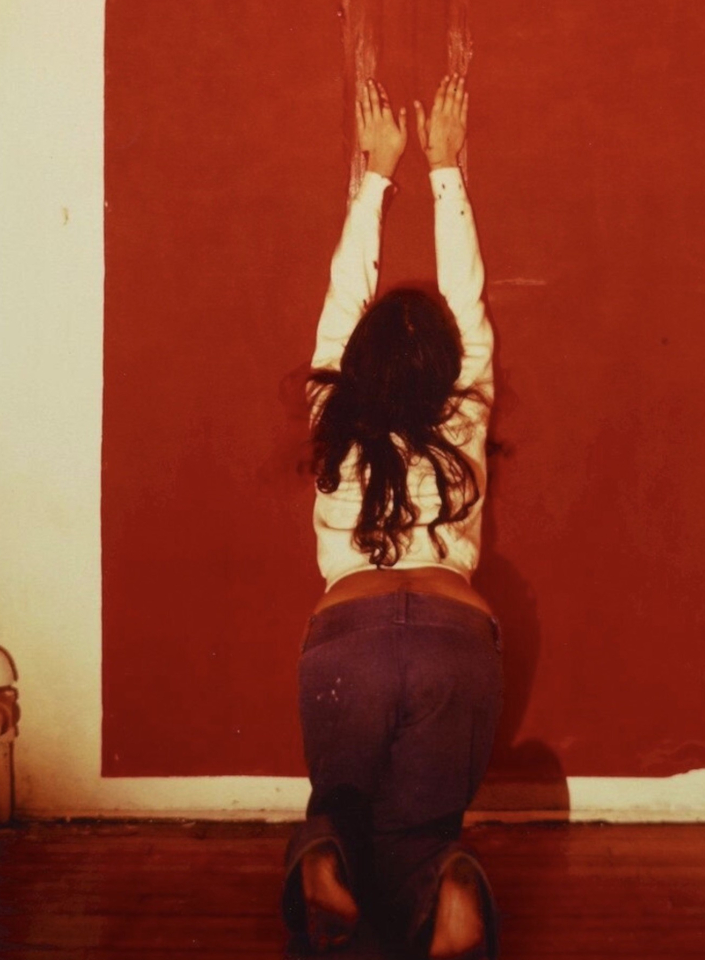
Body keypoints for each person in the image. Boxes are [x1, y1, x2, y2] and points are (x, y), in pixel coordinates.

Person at [283, 74, 502, 960]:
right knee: (421, 828)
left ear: (357, 361)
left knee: (342, 807)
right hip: (457, 632)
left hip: (349, 635)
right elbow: (473, 302)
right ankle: (445, 883)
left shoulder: (332, 417)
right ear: (450, 365)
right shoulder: (467, 411)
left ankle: (324, 855)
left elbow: (343, 301)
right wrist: (449, 169)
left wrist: (377, 176)